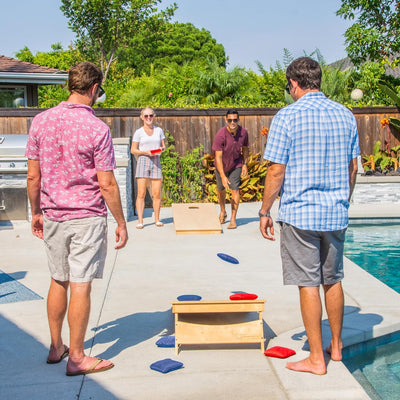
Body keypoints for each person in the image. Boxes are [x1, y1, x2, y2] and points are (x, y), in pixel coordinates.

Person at [25, 61, 128, 376]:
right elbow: (107, 184)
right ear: (95, 89)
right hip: (85, 216)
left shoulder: (39, 122)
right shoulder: (97, 129)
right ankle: (78, 357)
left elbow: (32, 177)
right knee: (81, 284)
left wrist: (37, 212)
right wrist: (121, 223)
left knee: (59, 279)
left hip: (53, 214)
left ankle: (57, 347)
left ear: (69, 86)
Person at [259, 57, 359, 375]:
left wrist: (264, 210)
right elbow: (352, 167)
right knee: (333, 280)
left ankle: (317, 359)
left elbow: (276, 170)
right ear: (319, 80)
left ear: (293, 84)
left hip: (301, 215)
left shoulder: (287, 117)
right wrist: (343, 199)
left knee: (308, 283)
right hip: (335, 212)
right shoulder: (345, 115)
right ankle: (337, 347)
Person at [212, 109, 249, 229]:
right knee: (220, 189)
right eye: (230, 120)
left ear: (238, 119)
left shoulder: (244, 132)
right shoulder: (221, 135)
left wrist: (245, 164)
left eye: (235, 120)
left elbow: (245, 149)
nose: (232, 122)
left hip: (236, 165)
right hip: (221, 165)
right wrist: (223, 176)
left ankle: (233, 219)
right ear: (226, 120)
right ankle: (223, 210)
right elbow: (218, 157)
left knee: (235, 190)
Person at [130, 107, 166, 229]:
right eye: (146, 116)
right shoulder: (138, 132)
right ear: (142, 118)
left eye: (151, 115)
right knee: (141, 193)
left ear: (154, 116)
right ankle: (140, 221)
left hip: (156, 159)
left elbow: (163, 147)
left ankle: (157, 219)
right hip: (143, 160)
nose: (149, 118)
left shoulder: (159, 130)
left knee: (156, 193)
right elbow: (133, 149)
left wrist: (159, 150)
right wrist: (145, 152)